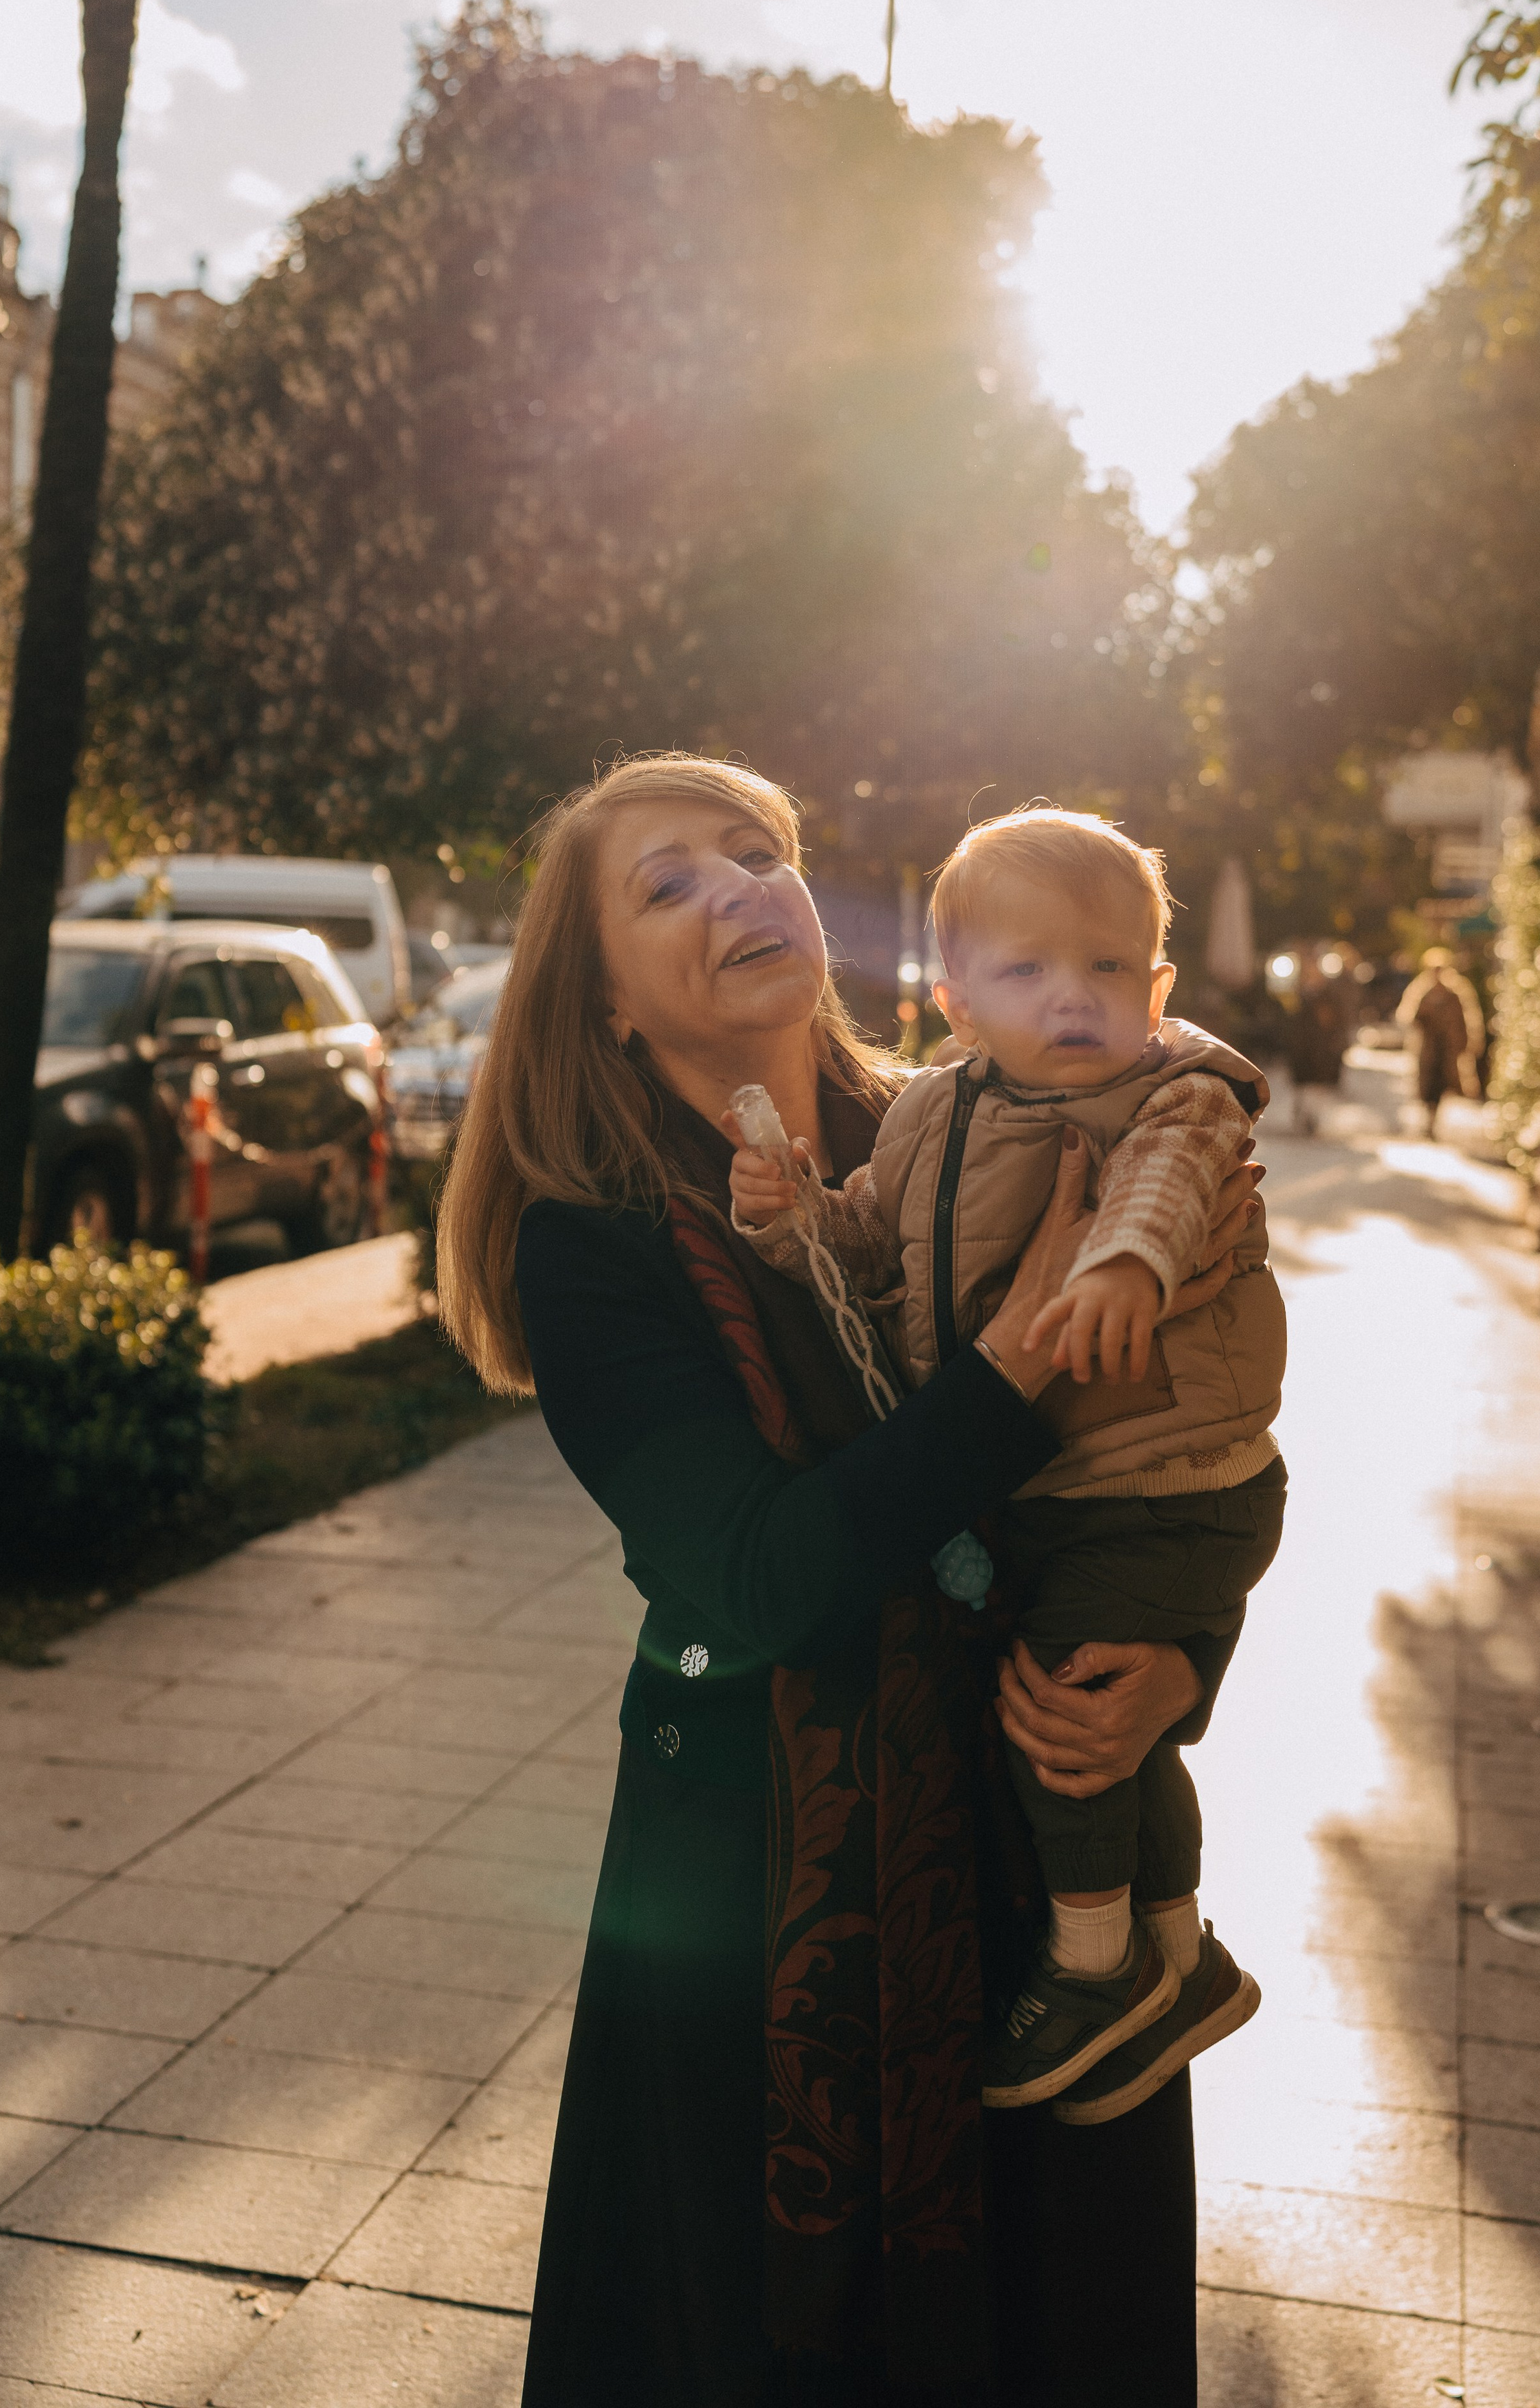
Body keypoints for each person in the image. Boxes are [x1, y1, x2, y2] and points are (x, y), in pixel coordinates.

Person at [434, 755, 1262, 2407]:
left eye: (759, 852)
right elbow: (756, 1580)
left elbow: (1191, 1436)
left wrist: (1177, 1655)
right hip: (759, 1929)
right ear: (600, 996)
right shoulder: (592, 1238)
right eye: (667, 884)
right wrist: (1009, 1363)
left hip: (1038, 1897)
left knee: (1055, 2334)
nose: (738, 889)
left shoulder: (993, 1118)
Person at [729, 807, 1284, 2128]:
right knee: (1107, 1721)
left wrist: (1123, 1267)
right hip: (1076, 1497)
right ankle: (1174, 1945)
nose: (1075, 999)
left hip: (1173, 1486)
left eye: (1108, 969)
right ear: (954, 1000)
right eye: (1029, 972)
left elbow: (1168, 1185)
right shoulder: (928, 1115)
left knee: (1066, 1719)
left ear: (1157, 989)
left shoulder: (1170, 1096)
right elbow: (875, 1252)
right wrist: (795, 1217)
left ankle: (1093, 1970)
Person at [1396, 947, 1485, 1138]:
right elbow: (1407, 1017)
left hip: (1448, 1049)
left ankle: (1436, 1119)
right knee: (1428, 1086)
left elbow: (1469, 1019)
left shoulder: (1457, 991)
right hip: (1428, 1048)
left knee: (1447, 1084)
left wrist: (1469, 1044)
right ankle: (1430, 1120)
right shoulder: (1421, 990)